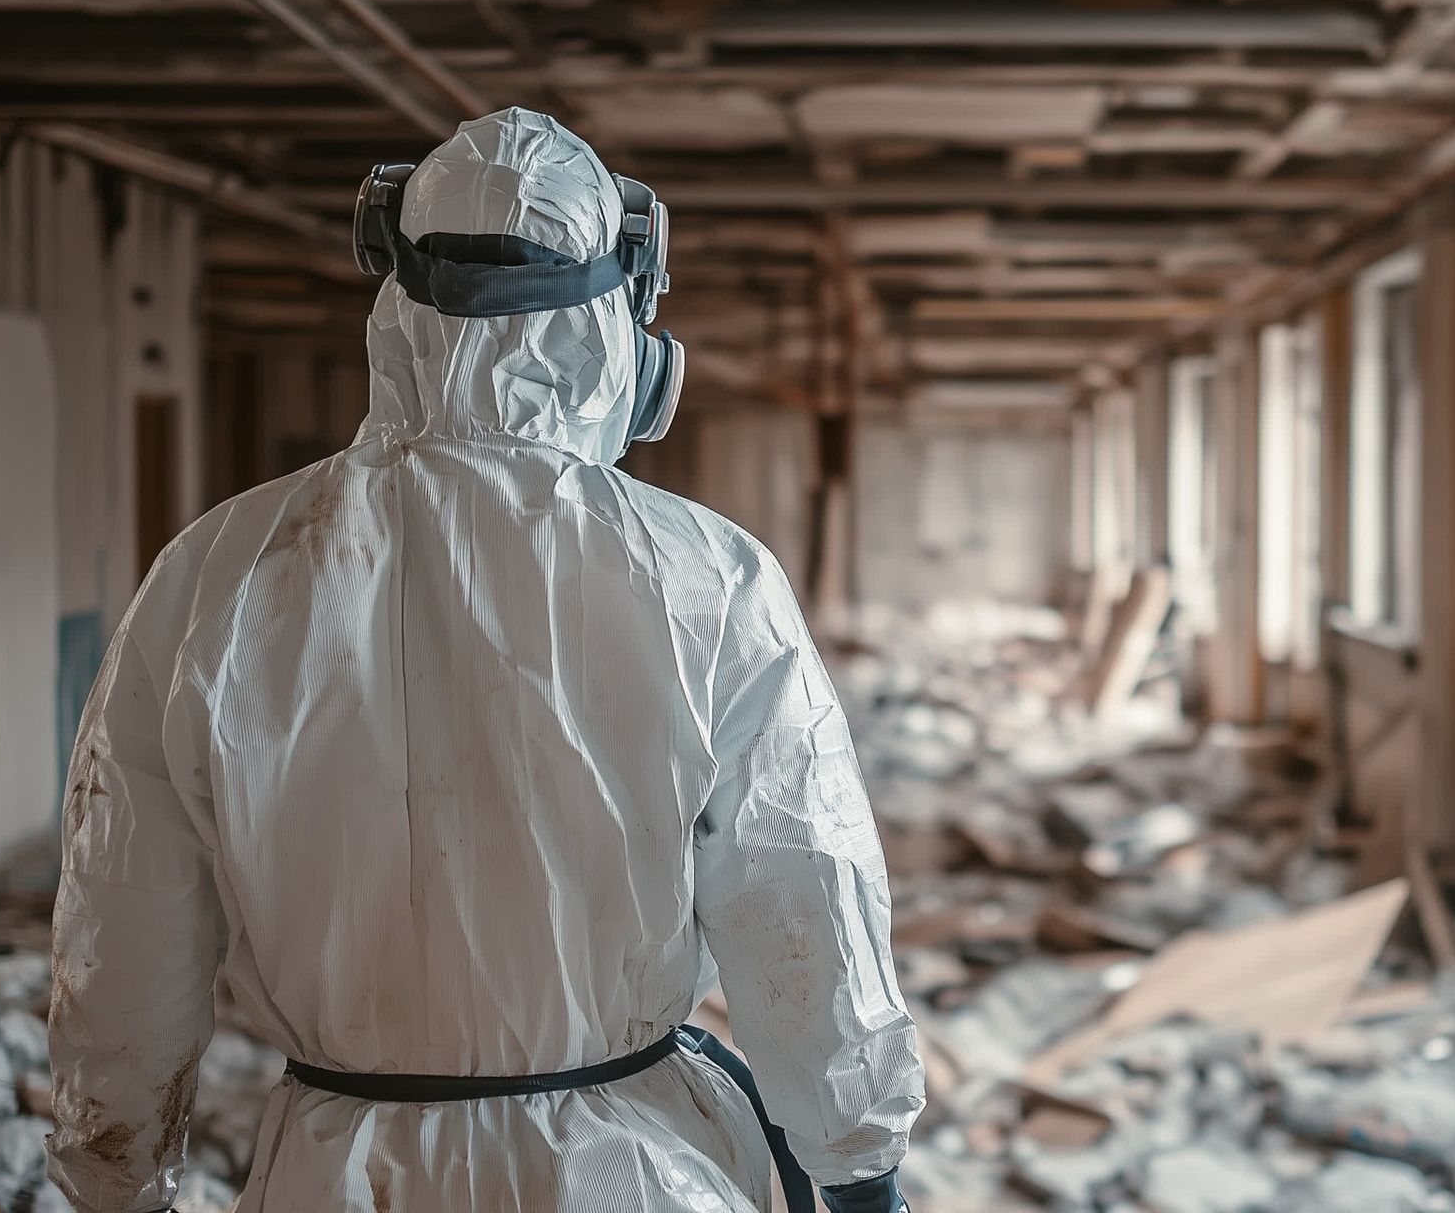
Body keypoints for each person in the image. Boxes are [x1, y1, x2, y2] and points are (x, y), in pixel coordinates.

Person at [47, 107, 924, 1213]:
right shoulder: (709, 575)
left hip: (339, 1173)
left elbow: (122, 911)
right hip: (632, 1172)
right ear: (617, 319)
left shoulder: (216, 573)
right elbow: (806, 894)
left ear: (395, 307)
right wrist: (858, 1160)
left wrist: (116, 1173)